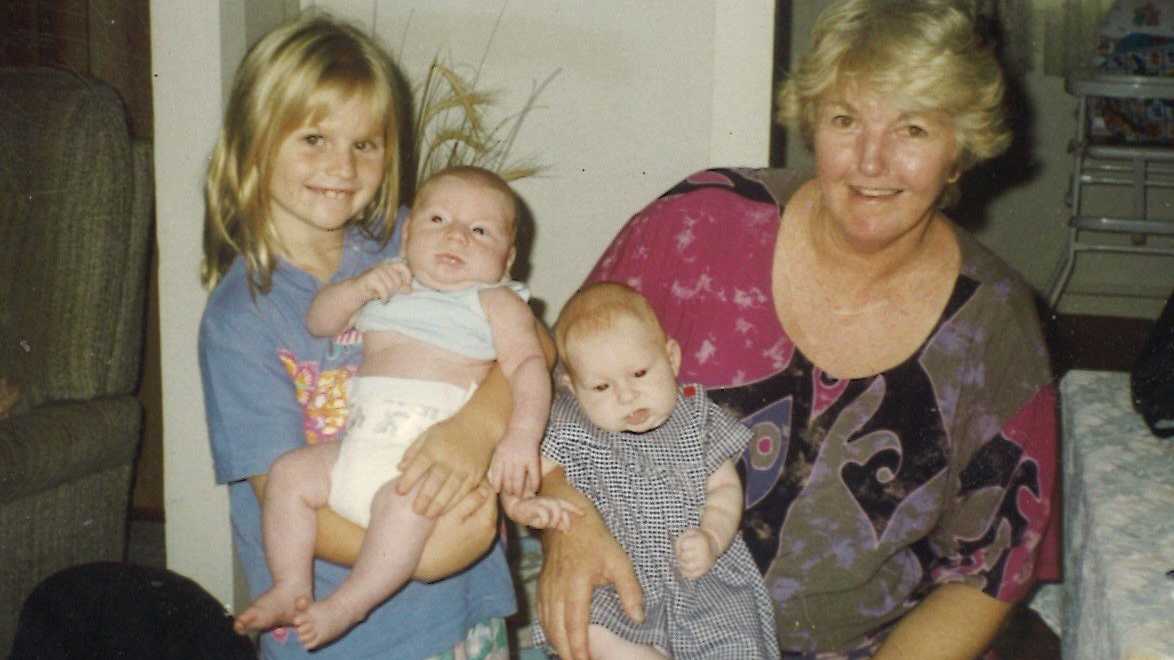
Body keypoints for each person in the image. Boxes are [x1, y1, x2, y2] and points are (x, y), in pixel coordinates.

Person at [535, 1, 1059, 658]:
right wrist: (571, 529)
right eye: (846, 120)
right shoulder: (696, 226)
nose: (871, 162)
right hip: (642, 631)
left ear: (961, 150)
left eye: (913, 130)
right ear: (812, 124)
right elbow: (549, 387)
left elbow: (988, 572)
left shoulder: (995, 326)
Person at [198, 14, 519, 659]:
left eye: (364, 145)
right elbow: (287, 500)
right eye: (313, 138)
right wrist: (424, 557)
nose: (340, 166)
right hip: (340, 634)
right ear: (254, 143)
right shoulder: (240, 321)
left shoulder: (419, 237)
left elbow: (528, 343)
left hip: (458, 613)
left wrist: (476, 429)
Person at [234, 166, 550, 649]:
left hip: (421, 461)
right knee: (289, 475)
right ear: (407, 233)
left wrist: (521, 434)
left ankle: (349, 603)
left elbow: (530, 364)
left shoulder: (493, 301)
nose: (456, 236)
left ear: (507, 260)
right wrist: (360, 288)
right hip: (357, 447)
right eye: (438, 219)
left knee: (401, 512)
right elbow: (320, 321)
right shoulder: (390, 285)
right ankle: (291, 584)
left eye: (480, 231)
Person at [504, 282, 779, 659]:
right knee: (591, 631)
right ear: (572, 389)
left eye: (639, 373)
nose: (625, 395)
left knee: (734, 643)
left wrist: (712, 537)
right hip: (616, 579)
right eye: (600, 386)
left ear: (671, 358)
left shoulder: (698, 421)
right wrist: (521, 505)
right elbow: (525, 470)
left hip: (699, 576)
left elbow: (725, 489)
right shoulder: (570, 426)